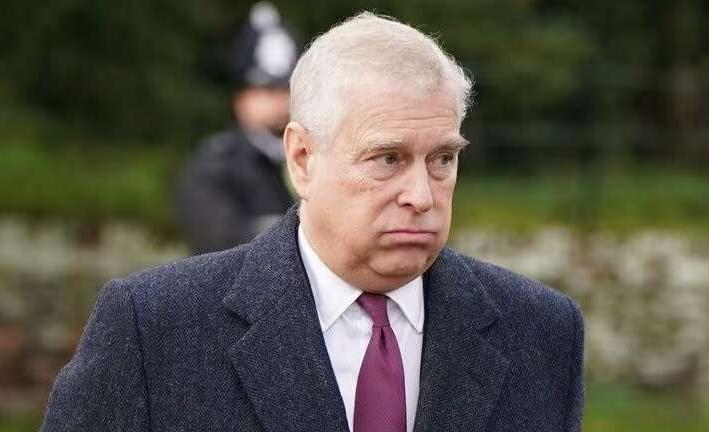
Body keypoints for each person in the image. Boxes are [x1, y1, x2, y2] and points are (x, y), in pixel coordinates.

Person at [42, 12, 584, 432]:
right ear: (302, 159)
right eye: (387, 158)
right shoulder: (155, 329)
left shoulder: (542, 333)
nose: (422, 196)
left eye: (442, 158)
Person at [177, 2, 296, 255]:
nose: (281, 100)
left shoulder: (313, 159)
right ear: (240, 99)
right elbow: (219, 246)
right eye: (267, 90)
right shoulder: (215, 166)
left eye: (287, 89)